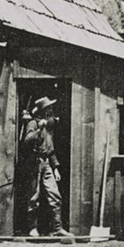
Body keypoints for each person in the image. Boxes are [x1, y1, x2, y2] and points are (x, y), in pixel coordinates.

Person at [21, 96, 72, 237]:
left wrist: (55, 167)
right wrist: (39, 130)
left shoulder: (49, 127)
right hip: (34, 163)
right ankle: (32, 228)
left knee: (55, 195)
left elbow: (50, 147)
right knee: (33, 197)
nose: (51, 110)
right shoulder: (33, 123)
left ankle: (57, 228)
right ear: (43, 110)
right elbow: (27, 141)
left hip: (47, 164)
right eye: (49, 108)